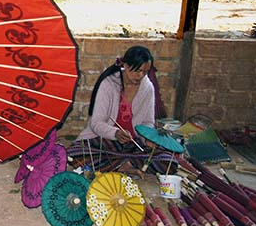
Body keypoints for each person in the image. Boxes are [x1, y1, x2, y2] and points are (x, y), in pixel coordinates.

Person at [67, 45, 177, 177]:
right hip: (106, 140)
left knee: (168, 161)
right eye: (137, 71)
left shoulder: (147, 87)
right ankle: (124, 166)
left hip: (134, 143)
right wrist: (116, 133)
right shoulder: (109, 84)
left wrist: (148, 138)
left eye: (145, 72)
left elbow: (148, 122)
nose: (140, 76)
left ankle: (123, 165)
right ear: (125, 65)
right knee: (74, 154)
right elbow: (96, 123)